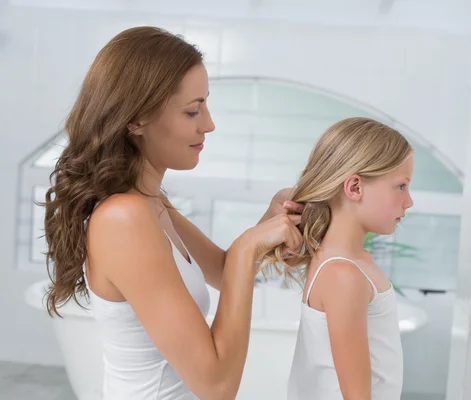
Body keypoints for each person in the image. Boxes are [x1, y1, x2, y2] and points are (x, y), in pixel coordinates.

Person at [42, 26, 304, 400]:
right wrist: (249, 247)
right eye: (192, 111)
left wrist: (268, 219)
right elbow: (218, 385)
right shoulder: (124, 218)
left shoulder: (150, 202)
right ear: (136, 121)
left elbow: (222, 270)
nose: (209, 124)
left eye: (206, 105)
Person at [262, 117, 414, 399]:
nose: (409, 201)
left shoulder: (349, 263)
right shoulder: (344, 275)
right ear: (355, 187)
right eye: (401, 186)